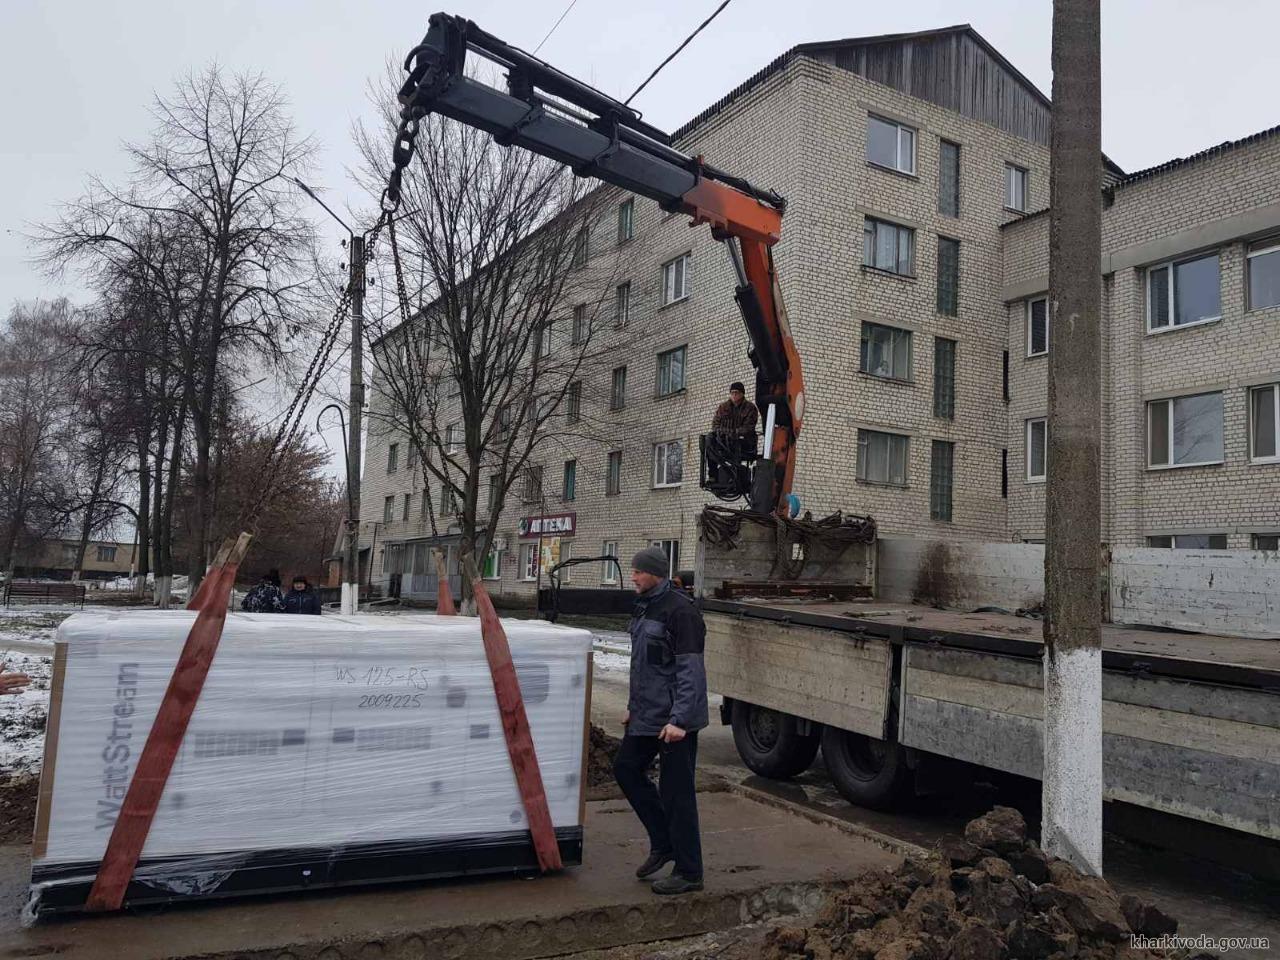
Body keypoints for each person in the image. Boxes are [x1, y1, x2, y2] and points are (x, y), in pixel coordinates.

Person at [612, 546, 709, 896]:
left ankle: (689, 871)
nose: (633, 576)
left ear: (655, 572)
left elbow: (690, 671)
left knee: (677, 793)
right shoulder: (645, 606)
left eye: (638, 571)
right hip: (647, 713)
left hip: (674, 721)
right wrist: (632, 706)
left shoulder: (681, 612)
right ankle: (663, 842)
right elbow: (644, 666)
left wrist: (680, 720)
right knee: (626, 769)